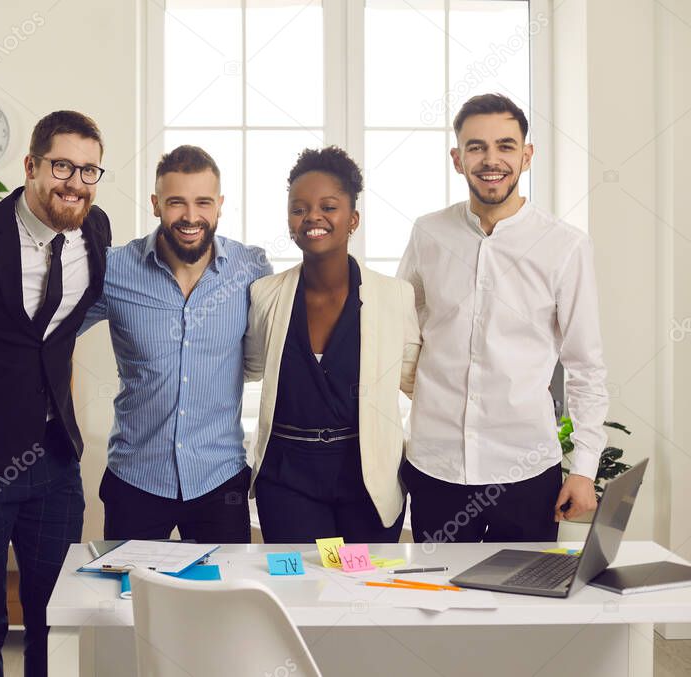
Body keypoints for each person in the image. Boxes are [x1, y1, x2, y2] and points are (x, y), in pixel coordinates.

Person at [0, 111, 112, 677]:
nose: (75, 182)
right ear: (31, 166)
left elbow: (55, 341)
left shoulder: (98, 229)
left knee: (56, 615)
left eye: (89, 170)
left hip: (55, 461)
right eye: (62, 166)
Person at [397, 93, 608, 545]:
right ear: (457, 158)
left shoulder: (565, 246)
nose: (491, 160)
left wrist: (585, 469)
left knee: (526, 604)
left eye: (505, 146)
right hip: (436, 467)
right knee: (439, 605)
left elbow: (585, 366)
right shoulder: (428, 233)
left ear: (526, 156)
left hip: (526, 468)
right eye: (476, 147)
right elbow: (401, 328)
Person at [81, 145, 271, 542]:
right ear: (155, 204)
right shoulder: (114, 268)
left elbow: (275, 351)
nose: (190, 216)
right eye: (176, 203)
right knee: (126, 598)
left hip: (219, 480)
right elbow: (51, 336)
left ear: (219, 205)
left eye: (203, 202)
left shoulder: (251, 269)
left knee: (219, 600)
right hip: (136, 476)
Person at [244, 146, 420, 543]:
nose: (313, 218)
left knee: (361, 587)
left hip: (367, 479)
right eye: (299, 208)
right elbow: (253, 367)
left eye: (328, 206)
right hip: (287, 480)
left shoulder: (395, 297)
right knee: (302, 589)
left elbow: (415, 382)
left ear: (352, 219)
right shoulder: (265, 295)